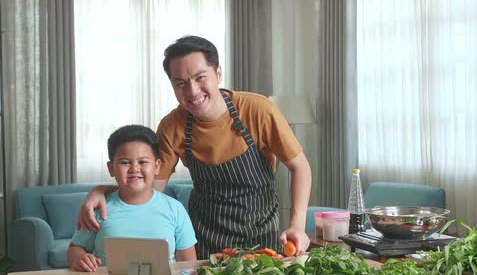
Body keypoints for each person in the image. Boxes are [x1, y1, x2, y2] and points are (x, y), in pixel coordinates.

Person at [77, 35, 311, 259]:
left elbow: (300, 167)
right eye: (180, 83)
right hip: (205, 239)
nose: (192, 91)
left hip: (262, 236)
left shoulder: (257, 109)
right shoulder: (172, 126)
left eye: (200, 78)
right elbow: (147, 189)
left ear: (218, 74)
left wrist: (297, 226)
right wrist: (100, 190)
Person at [68, 125, 197, 272]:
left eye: (143, 162)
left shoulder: (175, 209)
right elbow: (75, 248)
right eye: (124, 162)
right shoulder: (99, 208)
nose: (134, 169)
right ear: (111, 168)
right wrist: (80, 258)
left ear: (156, 166)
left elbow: (188, 264)